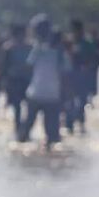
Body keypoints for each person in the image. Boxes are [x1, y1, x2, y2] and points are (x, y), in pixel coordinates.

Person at [18, 15, 67, 147]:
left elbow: (28, 67)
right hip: (49, 94)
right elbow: (66, 72)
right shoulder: (57, 51)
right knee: (51, 134)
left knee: (28, 128)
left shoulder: (38, 49)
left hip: (37, 93)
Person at [66, 20, 99, 135]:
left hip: (83, 77)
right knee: (69, 101)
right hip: (70, 77)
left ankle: (81, 124)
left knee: (82, 101)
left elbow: (95, 59)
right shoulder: (68, 42)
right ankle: (69, 126)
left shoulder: (87, 43)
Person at [1, 23, 34, 137]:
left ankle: (24, 128)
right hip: (15, 80)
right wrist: (4, 84)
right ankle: (19, 129)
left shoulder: (30, 47)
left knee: (28, 106)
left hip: (26, 81)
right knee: (17, 107)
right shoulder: (9, 48)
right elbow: (4, 67)